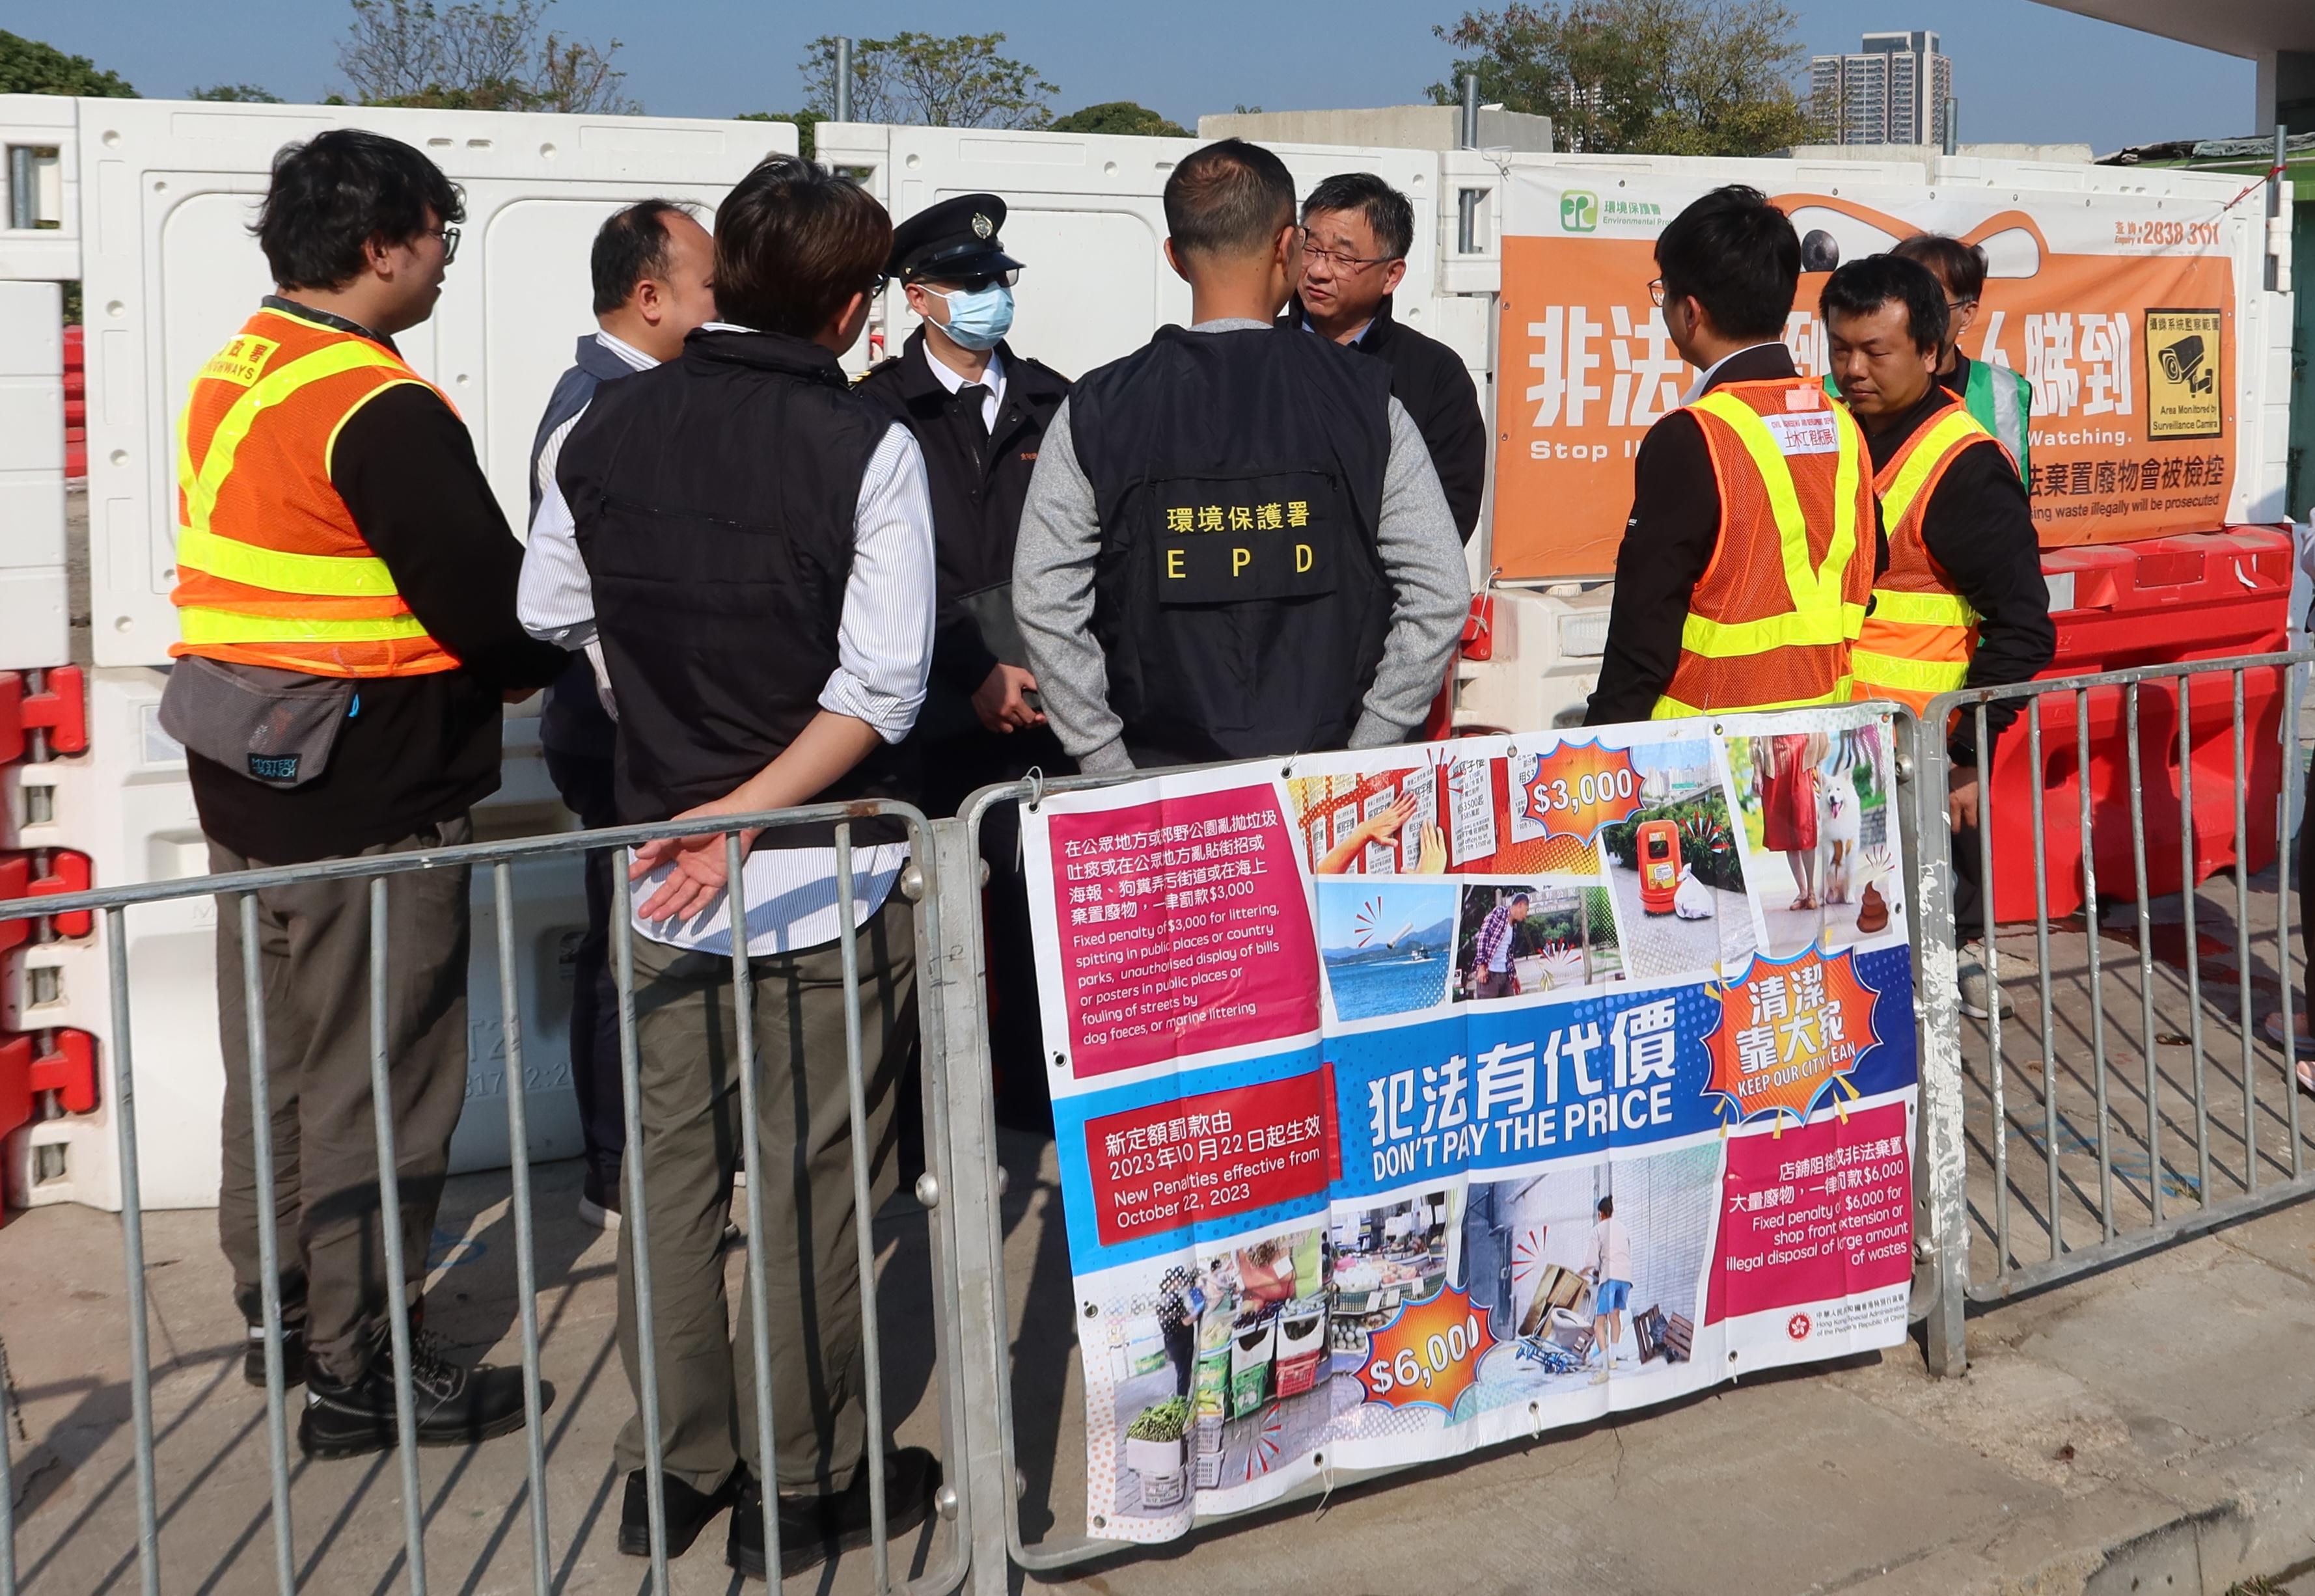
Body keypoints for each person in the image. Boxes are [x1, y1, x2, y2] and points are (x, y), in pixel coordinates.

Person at [554, 152, 941, 1580]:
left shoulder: (601, 425)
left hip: (655, 863)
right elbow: (878, 690)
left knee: (669, 1183)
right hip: (805, 870)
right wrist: (740, 811)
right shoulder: (863, 445)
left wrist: (669, 754)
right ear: (847, 305)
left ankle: (677, 1464)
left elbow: (554, 604)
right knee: (808, 1182)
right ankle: (810, 1471)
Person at [162, 128, 567, 1457]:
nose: (447, 253)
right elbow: (486, 600)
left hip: (250, 775)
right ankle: (362, 1367)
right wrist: (526, 669)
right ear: (381, 246)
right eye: (439, 230)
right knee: (378, 1079)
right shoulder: (375, 404)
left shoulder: (243, 365)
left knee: (275, 1066)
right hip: (367, 791)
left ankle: (281, 1309)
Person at [1013, 139, 1468, 776]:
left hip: (1158, 789)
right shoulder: (1369, 404)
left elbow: (1043, 597)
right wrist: (1365, 753)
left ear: (1173, 257)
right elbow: (1442, 591)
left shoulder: (1095, 408)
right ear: (1287, 245)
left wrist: (1104, 762)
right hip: (1326, 783)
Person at [517, 198, 718, 1228]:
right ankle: (621, 1170)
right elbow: (563, 604)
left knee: (640, 934)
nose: (719, 305)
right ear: (650, 298)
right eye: (707, 287)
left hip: (629, 722)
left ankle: (637, 1167)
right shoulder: (604, 408)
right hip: (617, 727)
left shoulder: (625, 392)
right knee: (635, 945)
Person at [856, 193, 1071, 1131]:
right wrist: (970, 675)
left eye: (1000, 280)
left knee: (1038, 931)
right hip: (923, 720)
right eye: (970, 282)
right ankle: (919, 1126)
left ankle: (1029, 1112)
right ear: (919, 297)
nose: (990, 297)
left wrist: (1036, 674)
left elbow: (1078, 559)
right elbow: (880, 572)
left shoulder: (1056, 404)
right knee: (915, 936)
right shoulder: (870, 412)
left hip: (1043, 714)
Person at [1822, 253, 2053, 1016]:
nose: (1853, 370)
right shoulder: (1827, 431)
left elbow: (2021, 628)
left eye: (1875, 352)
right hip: (1831, 742)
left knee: (1909, 962)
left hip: (1911, 753)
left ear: (1931, 352)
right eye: (1839, 348)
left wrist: (1962, 753)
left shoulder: (1962, 467)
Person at [1585, 185, 1882, 725]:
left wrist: (1599, 748)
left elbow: (1643, 629)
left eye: (1664, 293)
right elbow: (1868, 568)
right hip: (1821, 743)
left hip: (1706, 761)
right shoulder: (1841, 422)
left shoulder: (1693, 436)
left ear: (1689, 311)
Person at [1285, 172, 1489, 542]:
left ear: (1391, 275)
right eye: (1310, 248)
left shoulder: (1437, 376)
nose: (1317, 271)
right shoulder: (1259, 347)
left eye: (1343, 257)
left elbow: (1446, 523)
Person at [1889, 234, 2033, 484]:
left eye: (1929, 304)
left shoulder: (2004, 390)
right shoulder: (1840, 390)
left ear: (1967, 314)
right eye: (1898, 303)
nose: (1911, 317)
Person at [1580, 1194, 1633, 1383]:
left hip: (1610, 1277)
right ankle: (1613, 1360)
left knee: (1599, 1324)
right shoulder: (1623, 1228)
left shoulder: (1598, 1229)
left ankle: (1604, 1364)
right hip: (1625, 1278)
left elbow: (1591, 1261)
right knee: (1615, 1317)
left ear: (1601, 1214)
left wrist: (1582, 1272)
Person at [1468, 892, 1529, 999]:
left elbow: (1509, 954)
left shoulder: (1514, 927)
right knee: (1489, 1011)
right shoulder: (1500, 913)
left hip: (1505, 975)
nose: (1526, 915)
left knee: (1508, 1010)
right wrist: (1482, 966)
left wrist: (1514, 977)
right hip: (1489, 974)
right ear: (1520, 905)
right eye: (1526, 910)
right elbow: (1483, 936)